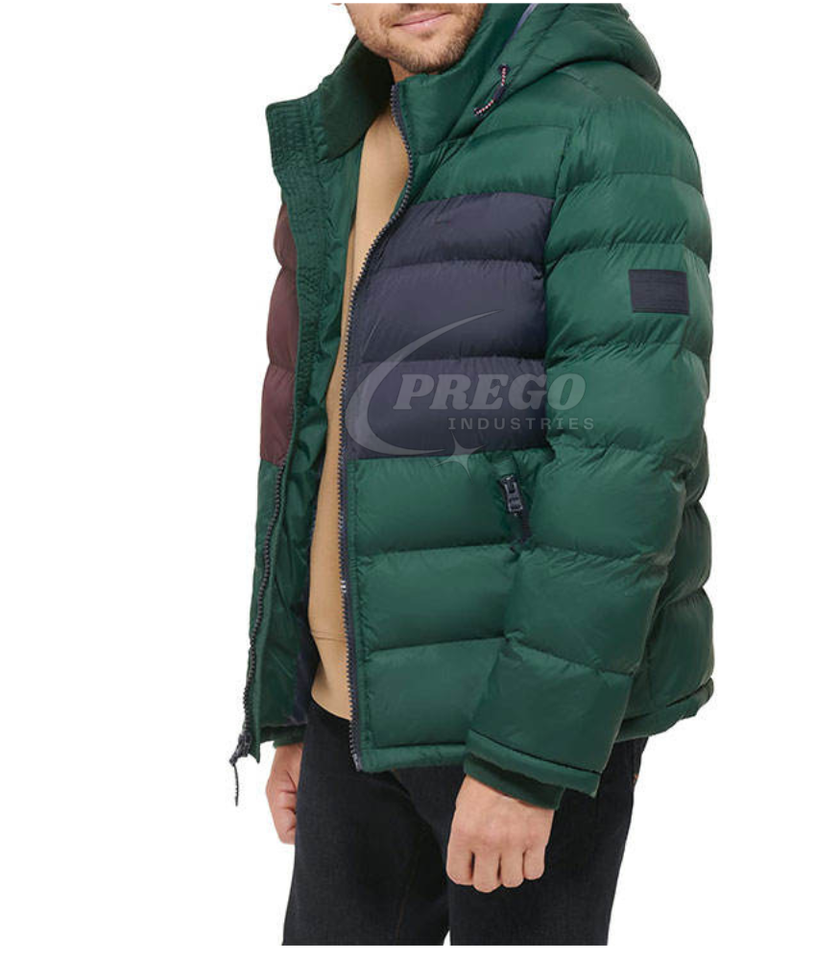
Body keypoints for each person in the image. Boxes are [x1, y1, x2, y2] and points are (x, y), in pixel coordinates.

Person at [230, 2, 714, 945]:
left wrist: (526, 760)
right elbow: (302, 439)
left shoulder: (608, 129)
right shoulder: (337, 141)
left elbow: (627, 466)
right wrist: (291, 704)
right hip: (347, 710)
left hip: (517, 721)